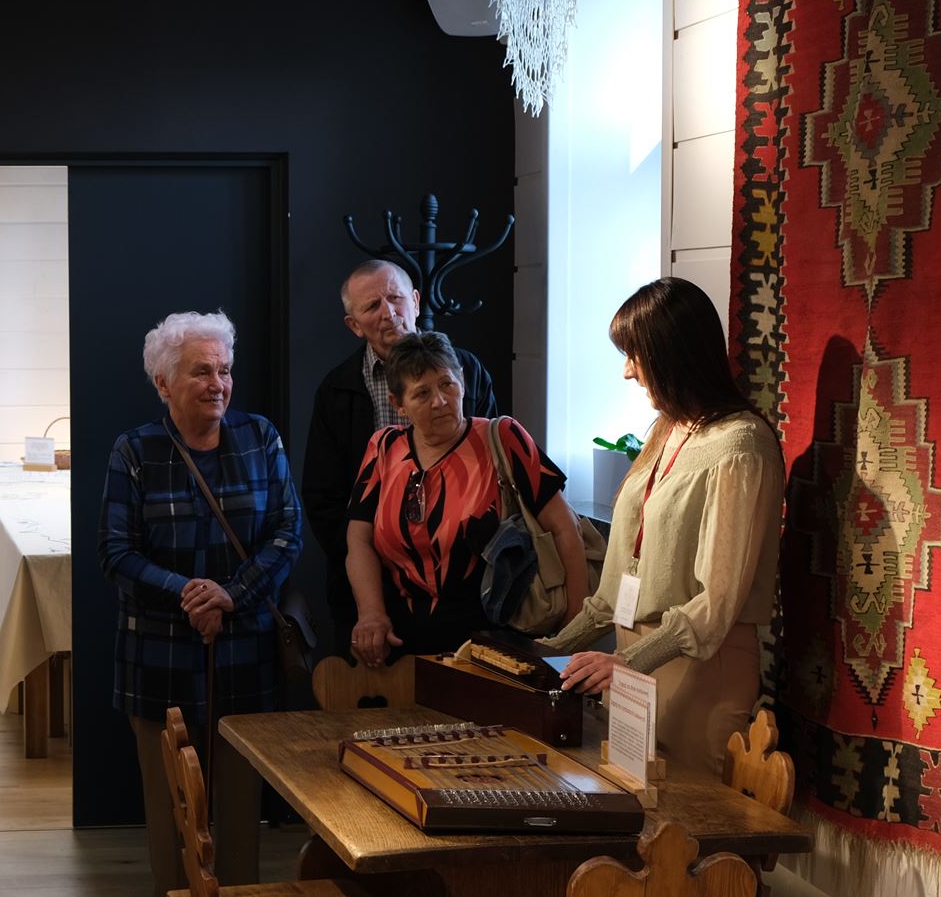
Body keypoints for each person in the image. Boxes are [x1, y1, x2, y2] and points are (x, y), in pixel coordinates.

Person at [97, 310, 302, 897]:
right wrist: (189, 593)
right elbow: (116, 552)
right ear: (163, 383)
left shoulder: (260, 436)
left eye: (225, 370)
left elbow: (288, 531)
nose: (218, 383)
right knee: (168, 791)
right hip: (157, 649)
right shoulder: (135, 450)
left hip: (244, 644)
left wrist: (230, 595)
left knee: (239, 790)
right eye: (201, 372)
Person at [543, 277, 784, 772]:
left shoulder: (741, 445)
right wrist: (543, 651)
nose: (628, 371)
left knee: (690, 814)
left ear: (673, 353)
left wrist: (625, 663)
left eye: (635, 354)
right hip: (632, 665)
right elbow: (614, 590)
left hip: (698, 674)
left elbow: (717, 603)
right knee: (633, 804)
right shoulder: (667, 429)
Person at [347, 331, 588, 665]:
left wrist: (573, 636)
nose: (440, 401)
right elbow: (358, 540)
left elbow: (566, 529)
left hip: (494, 647)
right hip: (401, 643)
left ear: (462, 380)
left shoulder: (502, 438)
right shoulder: (384, 448)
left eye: (447, 384)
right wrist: (371, 613)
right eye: (422, 393)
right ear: (398, 404)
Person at [302, 259, 499, 646]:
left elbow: (493, 468)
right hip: (370, 590)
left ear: (415, 301)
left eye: (395, 298)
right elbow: (324, 498)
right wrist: (373, 568)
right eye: (372, 306)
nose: (388, 313)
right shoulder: (337, 390)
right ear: (354, 325)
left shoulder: (466, 370)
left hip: (464, 588)